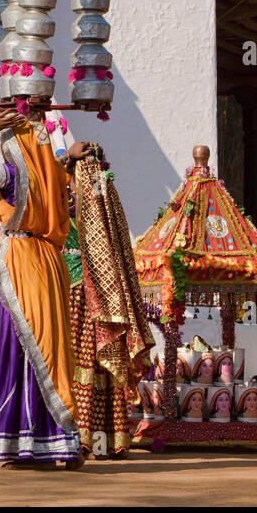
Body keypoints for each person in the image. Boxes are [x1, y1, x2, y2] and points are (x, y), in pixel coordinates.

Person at [0, 103, 88, 469]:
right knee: (49, 350)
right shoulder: (52, 172)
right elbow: (57, 166)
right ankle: (58, 441)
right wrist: (68, 157)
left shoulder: (11, 173)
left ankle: (24, 444)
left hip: (20, 262)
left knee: (18, 348)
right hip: (49, 262)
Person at [67, 150, 154, 459]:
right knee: (74, 364)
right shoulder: (62, 203)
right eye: (81, 173)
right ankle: (77, 438)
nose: (86, 182)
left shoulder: (104, 205)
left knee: (97, 364)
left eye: (93, 174)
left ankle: (100, 440)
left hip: (96, 297)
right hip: (68, 290)